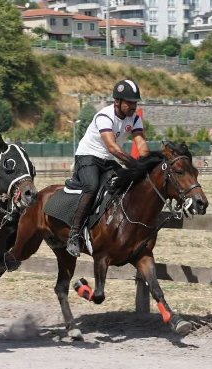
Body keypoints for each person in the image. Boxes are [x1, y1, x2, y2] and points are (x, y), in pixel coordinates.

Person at [66, 79, 149, 257]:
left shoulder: (135, 118)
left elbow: (141, 144)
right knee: (92, 186)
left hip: (107, 160)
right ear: (117, 101)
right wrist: (134, 164)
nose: (133, 106)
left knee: (127, 184)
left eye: (135, 102)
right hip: (88, 156)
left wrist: (147, 162)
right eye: (129, 102)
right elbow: (113, 147)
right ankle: (74, 234)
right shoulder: (105, 116)